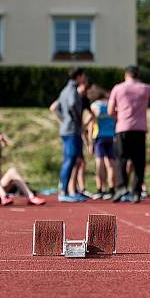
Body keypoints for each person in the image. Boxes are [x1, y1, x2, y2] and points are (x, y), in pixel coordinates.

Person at [107, 66, 150, 203]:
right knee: (139, 162)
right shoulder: (144, 88)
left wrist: (120, 115)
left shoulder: (118, 88)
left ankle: (121, 186)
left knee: (121, 159)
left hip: (122, 128)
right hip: (139, 129)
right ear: (138, 75)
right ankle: (136, 192)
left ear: (126, 75)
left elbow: (110, 111)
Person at [51, 67, 88, 203]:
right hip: (72, 130)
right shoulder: (72, 90)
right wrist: (77, 120)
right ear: (78, 76)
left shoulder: (64, 90)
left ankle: (68, 190)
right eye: (83, 76)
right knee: (70, 159)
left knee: (72, 159)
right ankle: (63, 191)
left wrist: (64, 119)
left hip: (67, 129)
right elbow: (72, 105)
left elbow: (57, 108)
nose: (84, 78)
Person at [87, 85, 117, 199]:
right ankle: (111, 189)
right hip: (111, 136)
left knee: (99, 164)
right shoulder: (111, 104)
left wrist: (90, 143)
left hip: (99, 137)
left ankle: (100, 189)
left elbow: (90, 125)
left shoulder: (94, 106)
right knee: (111, 164)